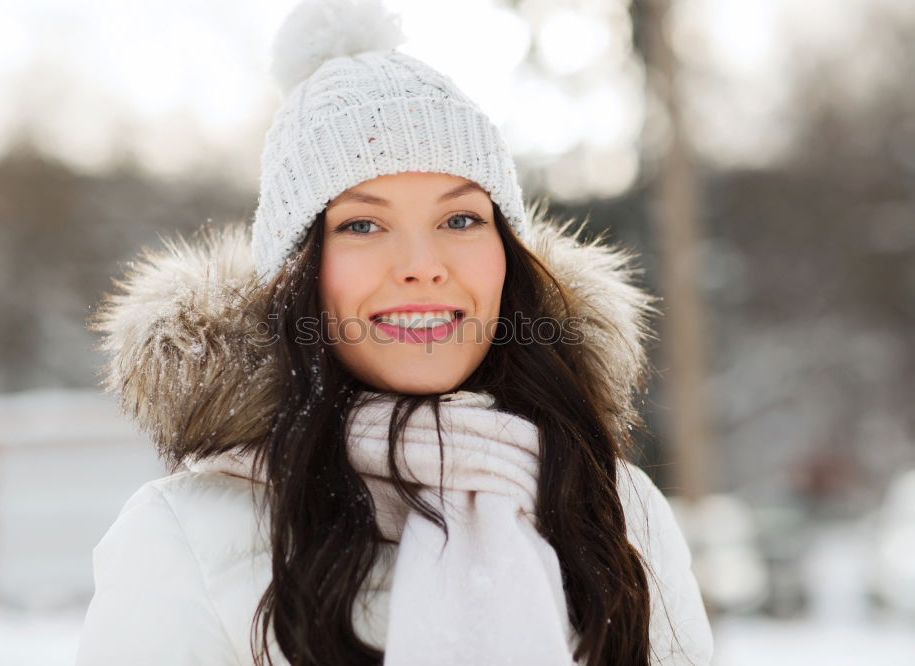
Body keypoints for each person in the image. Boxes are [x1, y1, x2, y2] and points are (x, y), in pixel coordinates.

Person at [74, 0, 714, 664]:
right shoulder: (182, 533)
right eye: (362, 225)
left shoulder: (618, 507)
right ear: (298, 278)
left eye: (461, 220)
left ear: (509, 259)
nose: (421, 267)